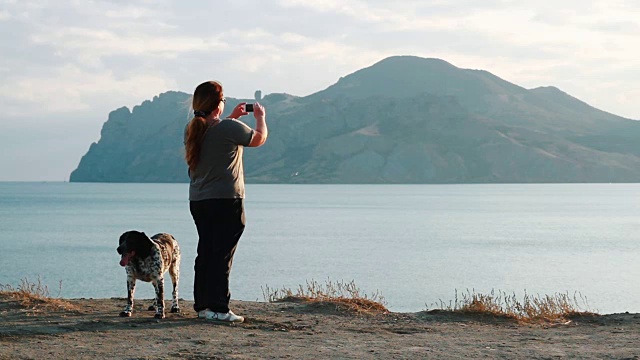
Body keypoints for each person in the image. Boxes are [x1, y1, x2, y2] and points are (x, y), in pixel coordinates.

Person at [184, 80, 268, 323]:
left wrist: (231, 116)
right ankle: (220, 308)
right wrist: (260, 117)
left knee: (206, 252)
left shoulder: (193, 128)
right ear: (217, 105)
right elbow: (259, 138)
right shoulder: (229, 128)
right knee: (222, 255)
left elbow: (216, 135)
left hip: (199, 200)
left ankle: (203, 306)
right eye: (222, 101)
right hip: (226, 200)